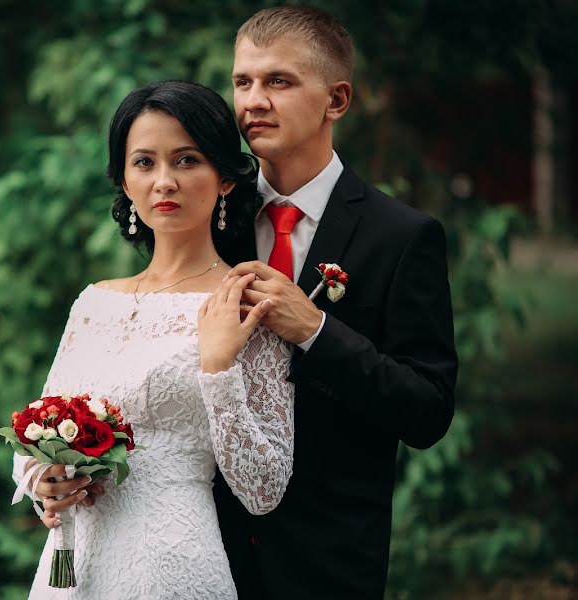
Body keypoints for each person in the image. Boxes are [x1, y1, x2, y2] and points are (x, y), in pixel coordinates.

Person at [11, 80, 295, 599]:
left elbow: (264, 489)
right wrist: (43, 481)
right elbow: (36, 431)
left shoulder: (246, 304)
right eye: (144, 162)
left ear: (224, 178)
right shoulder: (93, 303)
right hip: (72, 570)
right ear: (123, 179)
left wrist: (219, 370)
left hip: (172, 563)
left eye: (186, 160)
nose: (164, 181)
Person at [213, 6, 459, 599]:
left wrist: (317, 331)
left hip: (328, 561)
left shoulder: (401, 237)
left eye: (278, 81)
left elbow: (427, 411)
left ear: (337, 99)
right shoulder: (213, 217)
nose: (253, 100)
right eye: (243, 81)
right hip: (204, 548)